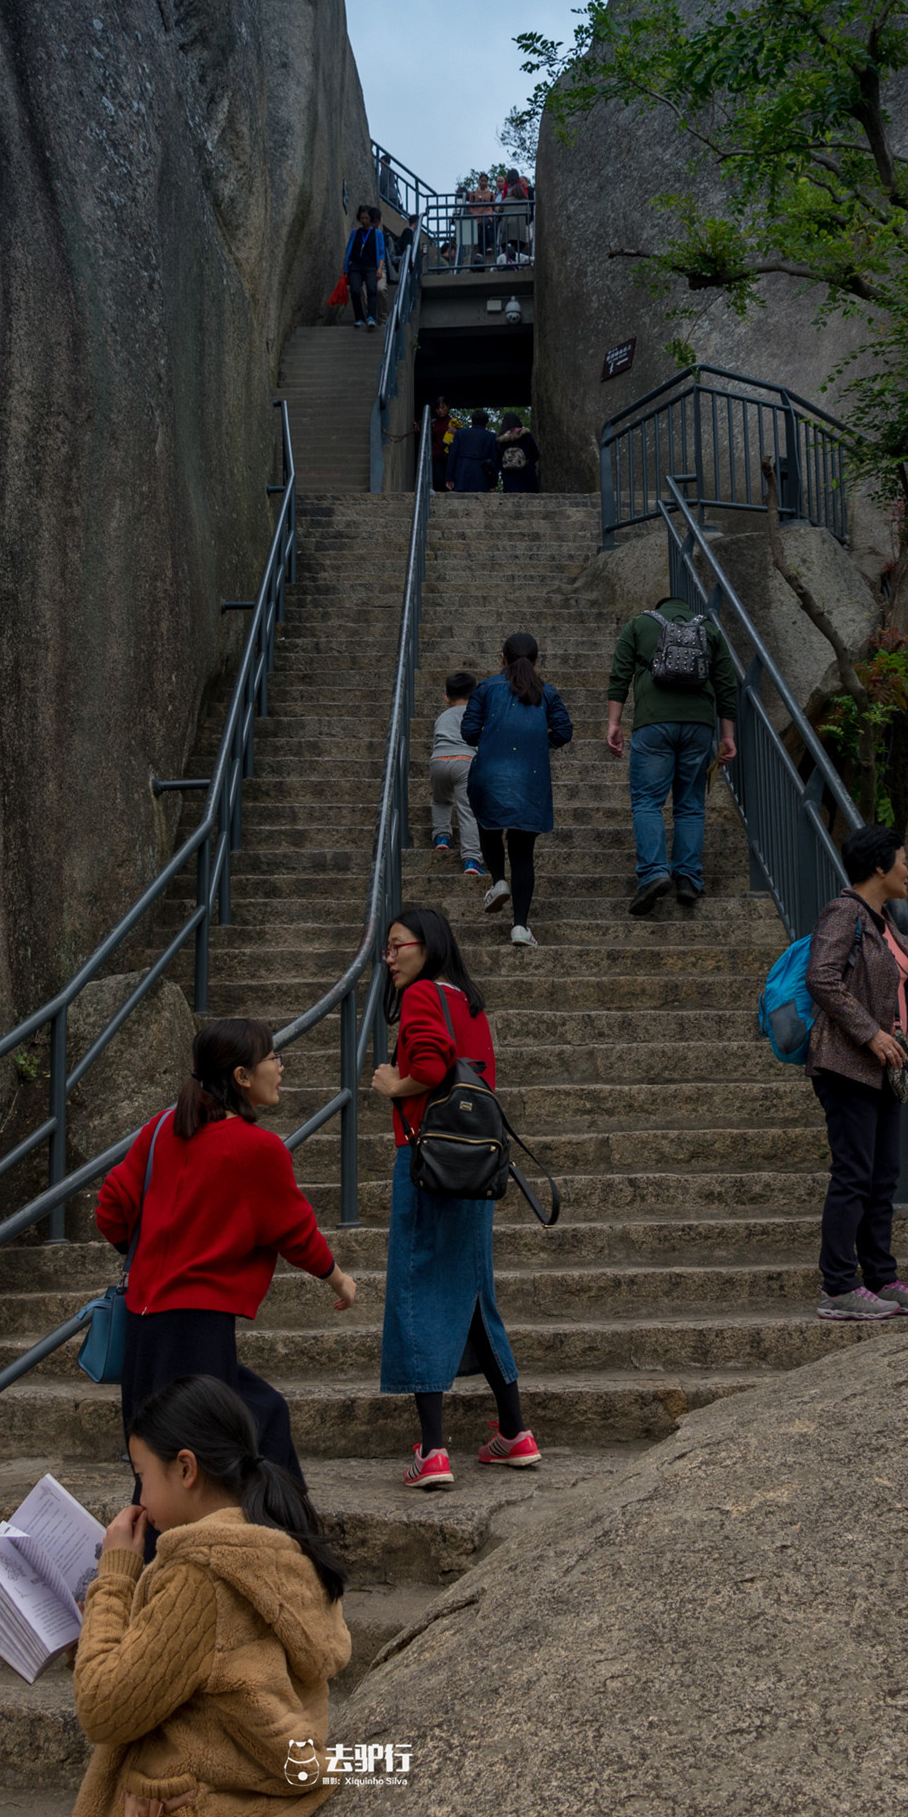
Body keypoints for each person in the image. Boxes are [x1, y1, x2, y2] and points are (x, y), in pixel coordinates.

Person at [38, 1375, 351, 1817]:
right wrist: (114, 1622)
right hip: (237, 1783)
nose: (138, 1498)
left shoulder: (200, 1572)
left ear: (185, 1468)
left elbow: (103, 1710)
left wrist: (114, 1578)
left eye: (142, 1477)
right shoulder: (265, 1541)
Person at [95, 1020, 356, 1516]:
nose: (280, 1067)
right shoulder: (256, 1149)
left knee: (229, 1430)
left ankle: (285, 1540)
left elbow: (110, 1207)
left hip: (144, 1328)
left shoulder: (160, 1130)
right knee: (193, 1465)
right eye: (272, 1058)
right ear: (241, 1075)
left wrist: (152, 1251)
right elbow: (295, 1230)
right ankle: (265, 1551)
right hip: (197, 1327)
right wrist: (339, 1279)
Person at [369, 908, 537, 1485]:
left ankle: (433, 1451)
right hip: (473, 1165)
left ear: (426, 946)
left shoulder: (420, 996)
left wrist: (395, 1083)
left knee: (417, 1288)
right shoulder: (468, 999)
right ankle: (514, 1432)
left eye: (397, 946)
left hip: (427, 1160)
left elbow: (432, 1063)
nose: (388, 957)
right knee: (472, 1294)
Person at [804, 826, 908, 1323]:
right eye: (903, 861)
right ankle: (838, 1286)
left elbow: (904, 994)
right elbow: (821, 976)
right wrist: (870, 1034)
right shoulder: (845, 912)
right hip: (846, 1064)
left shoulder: (886, 922)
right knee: (854, 1175)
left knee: (883, 1178)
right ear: (880, 867)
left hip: (886, 1067)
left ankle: (881, 1277)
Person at [605, 598, 739, 914]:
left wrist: (614, 723)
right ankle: (688, 879)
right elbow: (726, 685)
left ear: (660, 607)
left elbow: (620, 674)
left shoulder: (639, 624)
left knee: (648, 802)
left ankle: (654, 873)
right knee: (691, 805)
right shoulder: (708, 629)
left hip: (653, 723)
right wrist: (728, 736)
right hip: (699, 727)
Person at [461, 634, 573, 948]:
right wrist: (538, 744)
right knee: (523, 854)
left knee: (488, 824)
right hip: (530, 779)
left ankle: (498, 881)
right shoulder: (547, 693)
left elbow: (468, 732)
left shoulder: (485, 689)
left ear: (502, 658)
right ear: (536, 660)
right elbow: (564, 731)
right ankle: (520, 928)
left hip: (489, 774)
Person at [430, 670, 485, 880]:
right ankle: (471, 859)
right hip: (465, 762)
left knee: (440, 800)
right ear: (475, 696)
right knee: (468, 811)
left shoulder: (442, 716)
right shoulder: (475, 715)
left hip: (438, 761)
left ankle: (441, 837)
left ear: (446, 697)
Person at [341, 204, 387, 329]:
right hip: (356, 266)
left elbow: (381, 253)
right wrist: (346, 269)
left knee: (372, 290)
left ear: (371, 219)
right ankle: (359, 318)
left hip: (371, 266)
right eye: (362, 218)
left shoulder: (377, 234)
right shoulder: (355, 232)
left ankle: (371, 317)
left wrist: (379, 268)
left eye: (366, 218)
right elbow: (349, 250)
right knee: (355, 291)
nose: (364, 220)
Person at [444, 408, 498, 492]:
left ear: (471, 422)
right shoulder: (491, 437)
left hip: (462, 476)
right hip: (482, 478)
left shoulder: (460, 434)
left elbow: (452, 456)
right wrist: (493, 484)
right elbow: (494, 461)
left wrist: (449, 477)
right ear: (486, 424)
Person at [495, 411, 540, 494]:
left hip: (509, 476)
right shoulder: (526, 436)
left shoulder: (501, 441)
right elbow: (535, 454)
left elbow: (498, 460)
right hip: (527, 475)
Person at [429, 396, 456, 493]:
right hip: (436, 455)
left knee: (448, 478)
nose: (440, 411)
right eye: (438, 408)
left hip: (448, 455)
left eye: (443, 407)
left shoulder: (453, 423)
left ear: (448, 407)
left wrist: (456, 432)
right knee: (437, 479)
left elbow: (461, 437)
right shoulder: (433, 423)